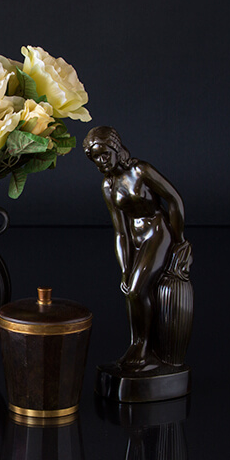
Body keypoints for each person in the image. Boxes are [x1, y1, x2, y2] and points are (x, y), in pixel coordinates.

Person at [83, 126, 189, 368]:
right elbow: (120, 232)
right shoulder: (108, 187)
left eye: (103, 154)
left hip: (157, 231)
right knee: (130, 287)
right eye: (95, 159)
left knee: (136, 291)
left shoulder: (140, 171)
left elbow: (174, 199)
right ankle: (137, 343)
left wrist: (178, 239)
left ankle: (142, 345)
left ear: (115, 149)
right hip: (135, 237)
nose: (101, 162)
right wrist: (124, 267)